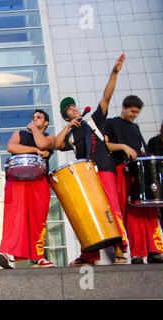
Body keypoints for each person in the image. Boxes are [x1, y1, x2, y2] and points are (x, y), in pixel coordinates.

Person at [55, 54, 128, 266]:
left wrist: (114, 73)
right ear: (66, 115)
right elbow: (57, 145)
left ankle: (119, 250)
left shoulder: (94, 121)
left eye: (74, 106)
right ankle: (89, 255)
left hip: (105, 169)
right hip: (85, 175)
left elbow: (106, 97)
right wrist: (70, 125)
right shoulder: (70, 133)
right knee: (88, 212)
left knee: (112, 207)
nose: (74, 109)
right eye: (69, 109)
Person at [105, 96, 163, 264]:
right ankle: (137, 253)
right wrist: (123, 147)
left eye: (137, 112)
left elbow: (140, 149)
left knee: (150, 210)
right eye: (132, 111)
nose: (134, 115)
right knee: (131, 213)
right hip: (122, 170)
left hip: (139, 171)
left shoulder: (135, 128)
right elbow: (105, 144)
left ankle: (155, 251)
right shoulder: (111, 123)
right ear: (124, 107)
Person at [0, 110, 56, 269]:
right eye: (33, 117)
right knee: (15, 215)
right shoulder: (20, 133)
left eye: (39, 118)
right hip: (17, 178)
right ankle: (8, 253)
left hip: (39, 179)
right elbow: (11, 147)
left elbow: (43, 144)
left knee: (38, 219)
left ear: (46, 123)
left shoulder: (49, 137)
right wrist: (35, 151)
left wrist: (35, 130)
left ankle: (38, 257)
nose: (35, 119)